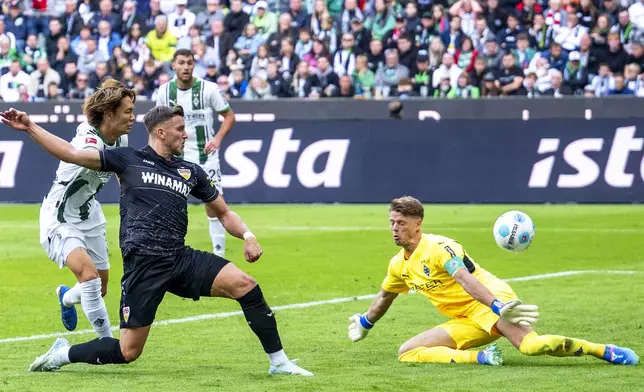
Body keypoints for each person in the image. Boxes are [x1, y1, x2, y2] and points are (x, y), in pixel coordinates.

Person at [1, 105, 313, 376]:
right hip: (143, 267)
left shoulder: (191, 171)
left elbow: (224, 212)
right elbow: (70, 153)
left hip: (181, 259)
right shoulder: (127, 159)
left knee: (246, 285)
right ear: (161, 132)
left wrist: (247, 235)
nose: (186, 135)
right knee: (127, 352)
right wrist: (29, 127)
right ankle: (62, 354)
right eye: (180, 129)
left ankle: (279, 362)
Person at [348, 196, 639, 366]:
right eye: (391, 223)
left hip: (489, 299)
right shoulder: (399, 265)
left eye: (400, 223)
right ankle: (482, 358)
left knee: (531, 347)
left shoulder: (439, 247)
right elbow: (385, 296)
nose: (395, 229)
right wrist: (365, 323)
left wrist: (498, 306)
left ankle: (602, 350)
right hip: (466, 318)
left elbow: (464, 279)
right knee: (407, 352)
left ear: (417, 224)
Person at [41, 79, 135, 338]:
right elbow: (70, 153)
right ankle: (108, 343)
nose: (133, 117)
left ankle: (66, 297)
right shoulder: (88, 140)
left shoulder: (120, 138)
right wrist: (29, 126)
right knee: (90, 278)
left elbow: (119, 169)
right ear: (109, 114)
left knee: (100, 286)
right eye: (127, 111)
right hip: (60, 215)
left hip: (89, 212)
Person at [156, 49, 236, 258]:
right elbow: (157, 124)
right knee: (168, 202)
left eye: (189, 63)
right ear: (173, 65)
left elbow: (229, 116)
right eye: (181, 63)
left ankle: (219, 255)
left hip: (205, 156)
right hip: (175, 157)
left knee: (214, 203)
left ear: (194, 65)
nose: (186, 67)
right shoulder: (164, 92)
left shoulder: (208, 89)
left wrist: (217, 139)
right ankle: (166, 251)